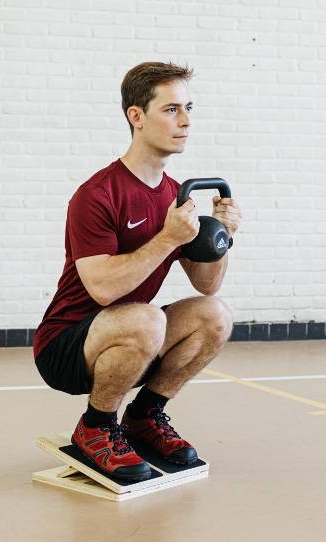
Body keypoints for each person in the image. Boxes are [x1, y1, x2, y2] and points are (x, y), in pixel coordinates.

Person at [32, 61, 242, 482]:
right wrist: (167, 238)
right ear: (136, 117)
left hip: (133, 336)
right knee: (147, 318)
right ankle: (96, 427)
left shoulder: (175, 197)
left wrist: (221, 236)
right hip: (67, 345)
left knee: (214, 314)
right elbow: (103, 288)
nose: (185, 121)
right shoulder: (97, 194)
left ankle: (145, 417)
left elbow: (207, 284)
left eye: (188, 108)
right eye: (171, 110)